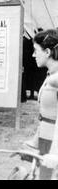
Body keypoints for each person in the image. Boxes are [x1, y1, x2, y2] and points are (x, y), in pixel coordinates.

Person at [23, 29, 58, 179]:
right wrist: (35, 142)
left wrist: (55, 153)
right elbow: (46, 115)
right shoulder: (51, 76)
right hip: (46, 140)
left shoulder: (55, 80)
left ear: (48, 52)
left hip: (54, 144)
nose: (33, 55)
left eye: (36, 50)